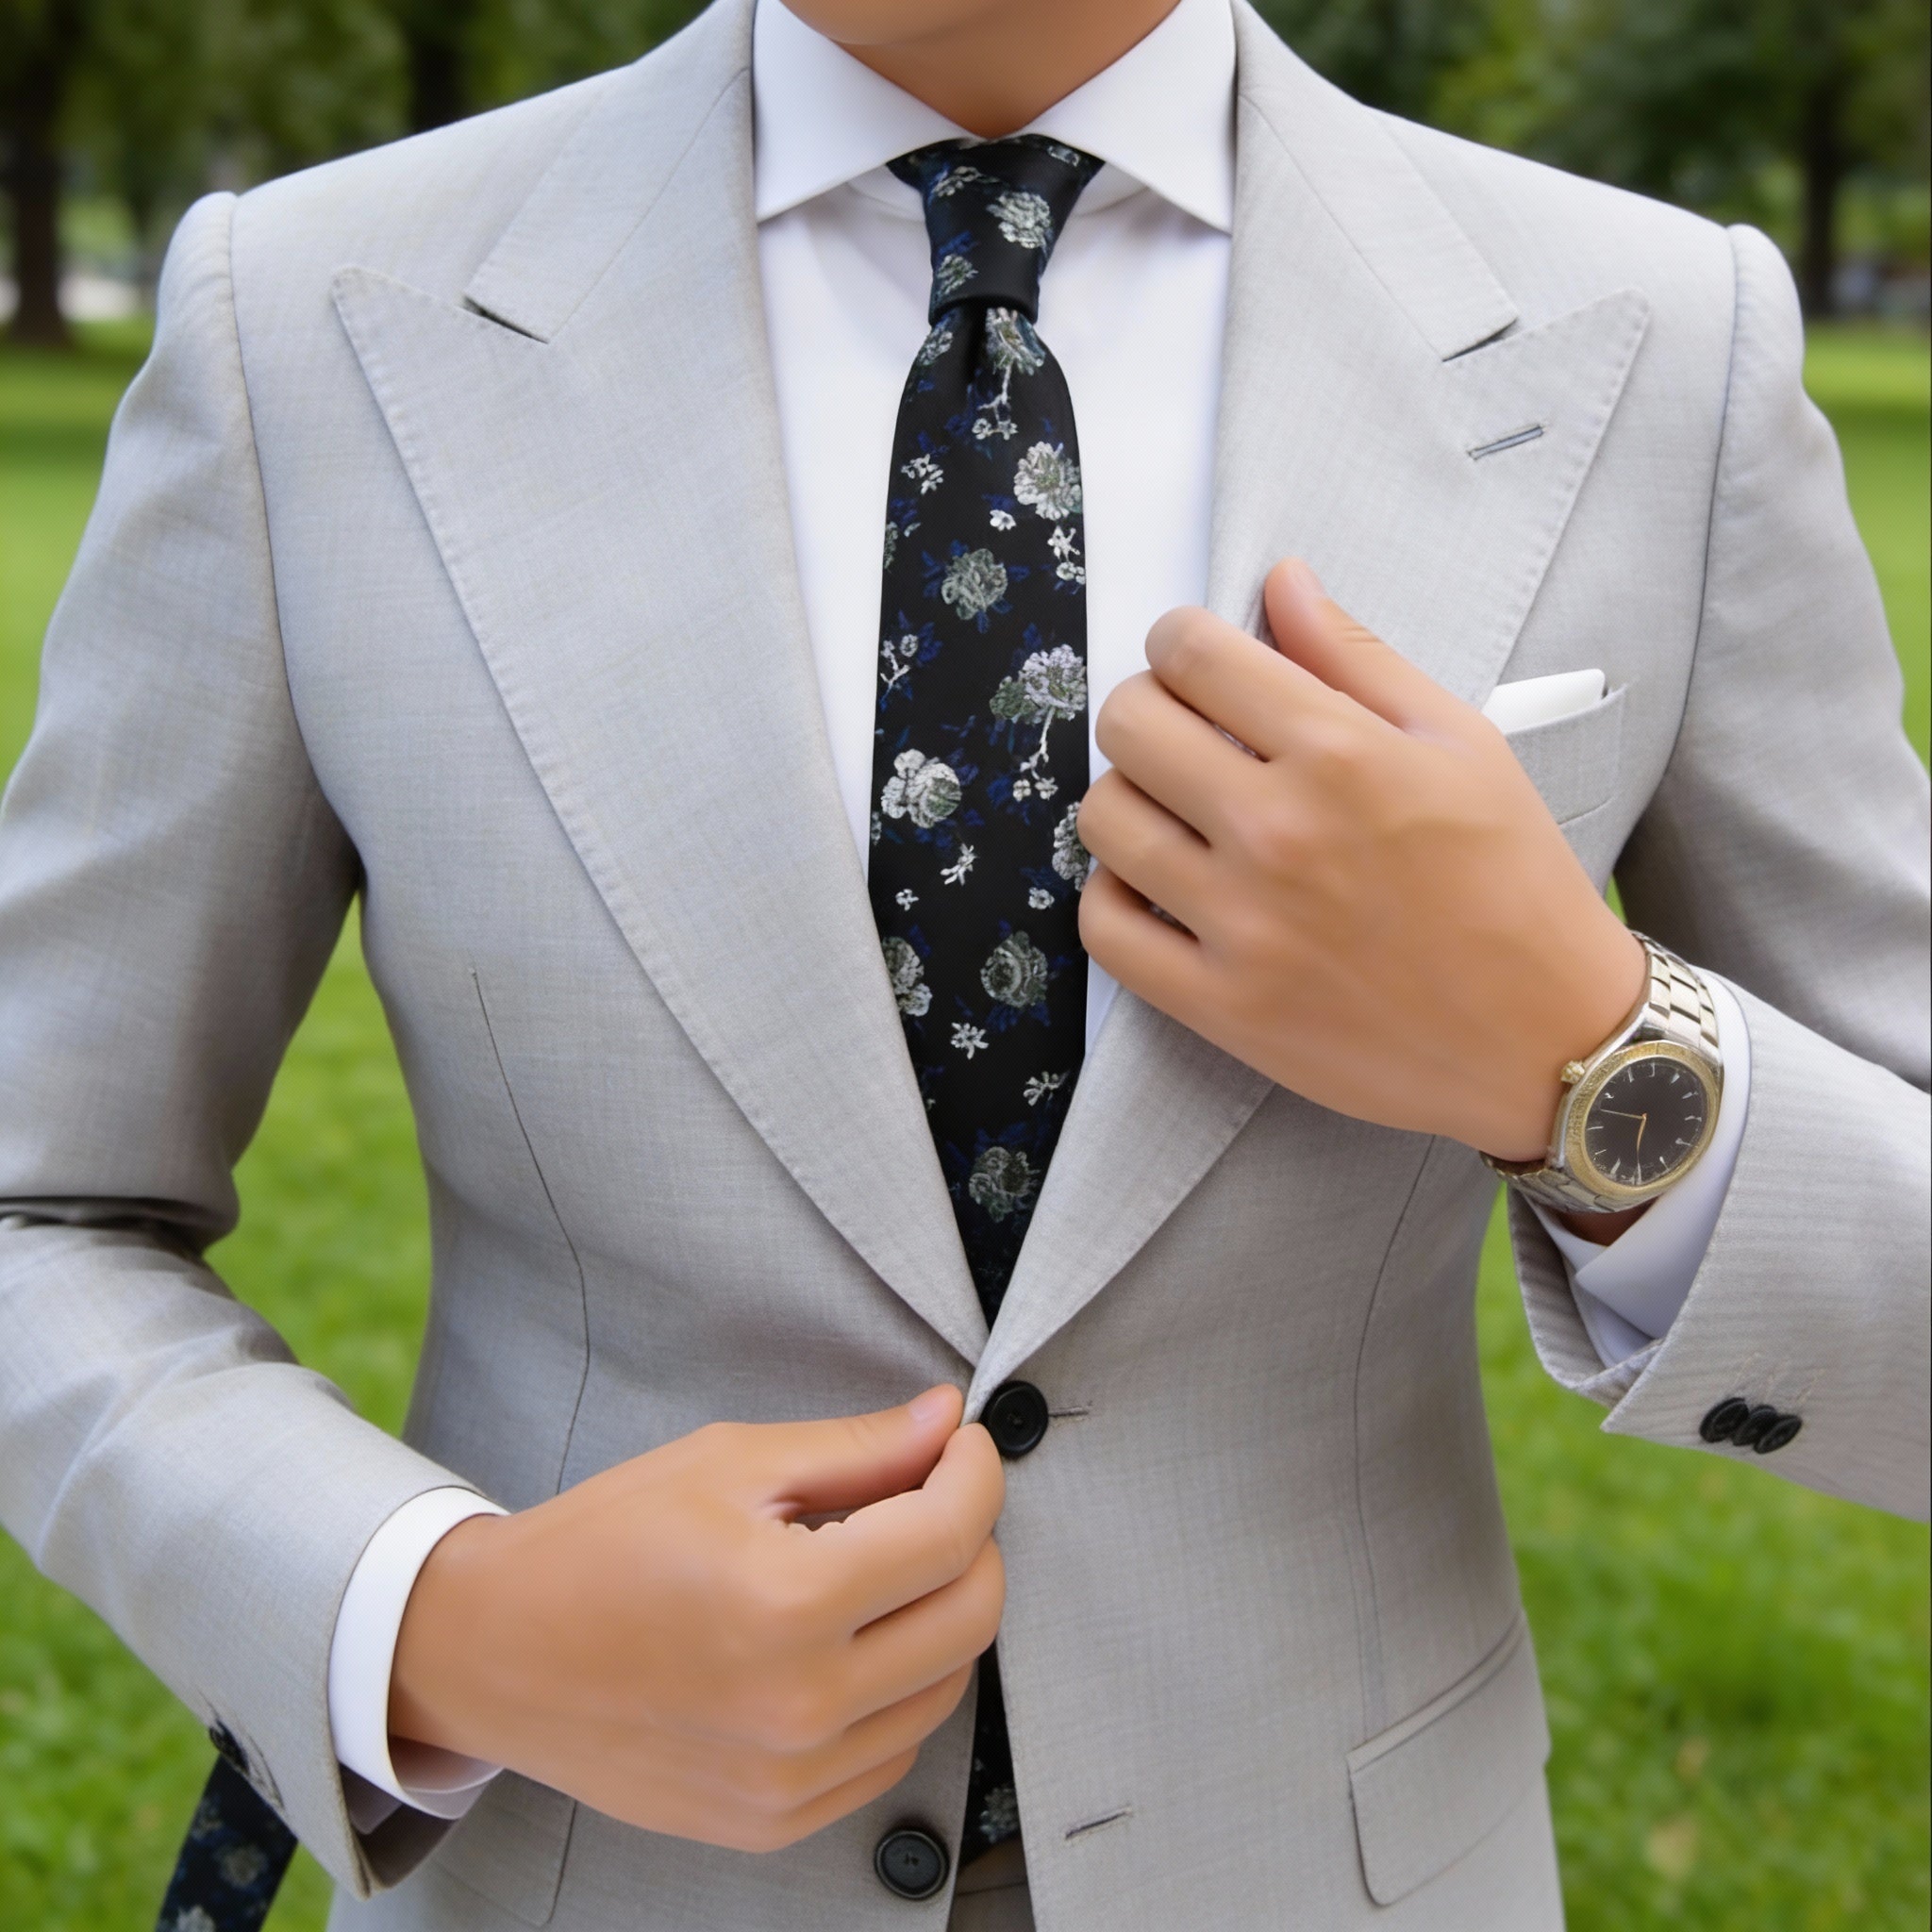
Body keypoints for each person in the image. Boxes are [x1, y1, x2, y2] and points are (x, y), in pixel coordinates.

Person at [0, 0, 1925, 1927]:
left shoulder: (1664, 345)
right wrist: (440, 1620)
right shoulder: (310, 315)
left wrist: (1587, 1063)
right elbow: (38, 1205)